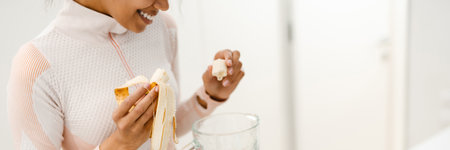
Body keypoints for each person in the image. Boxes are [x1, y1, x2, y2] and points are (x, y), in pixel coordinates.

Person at [7, 0, 245, 149]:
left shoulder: (162, 28)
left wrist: (209, 95)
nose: (164, 5)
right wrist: (120, 145)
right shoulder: (37, 66)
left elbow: (165, 130)